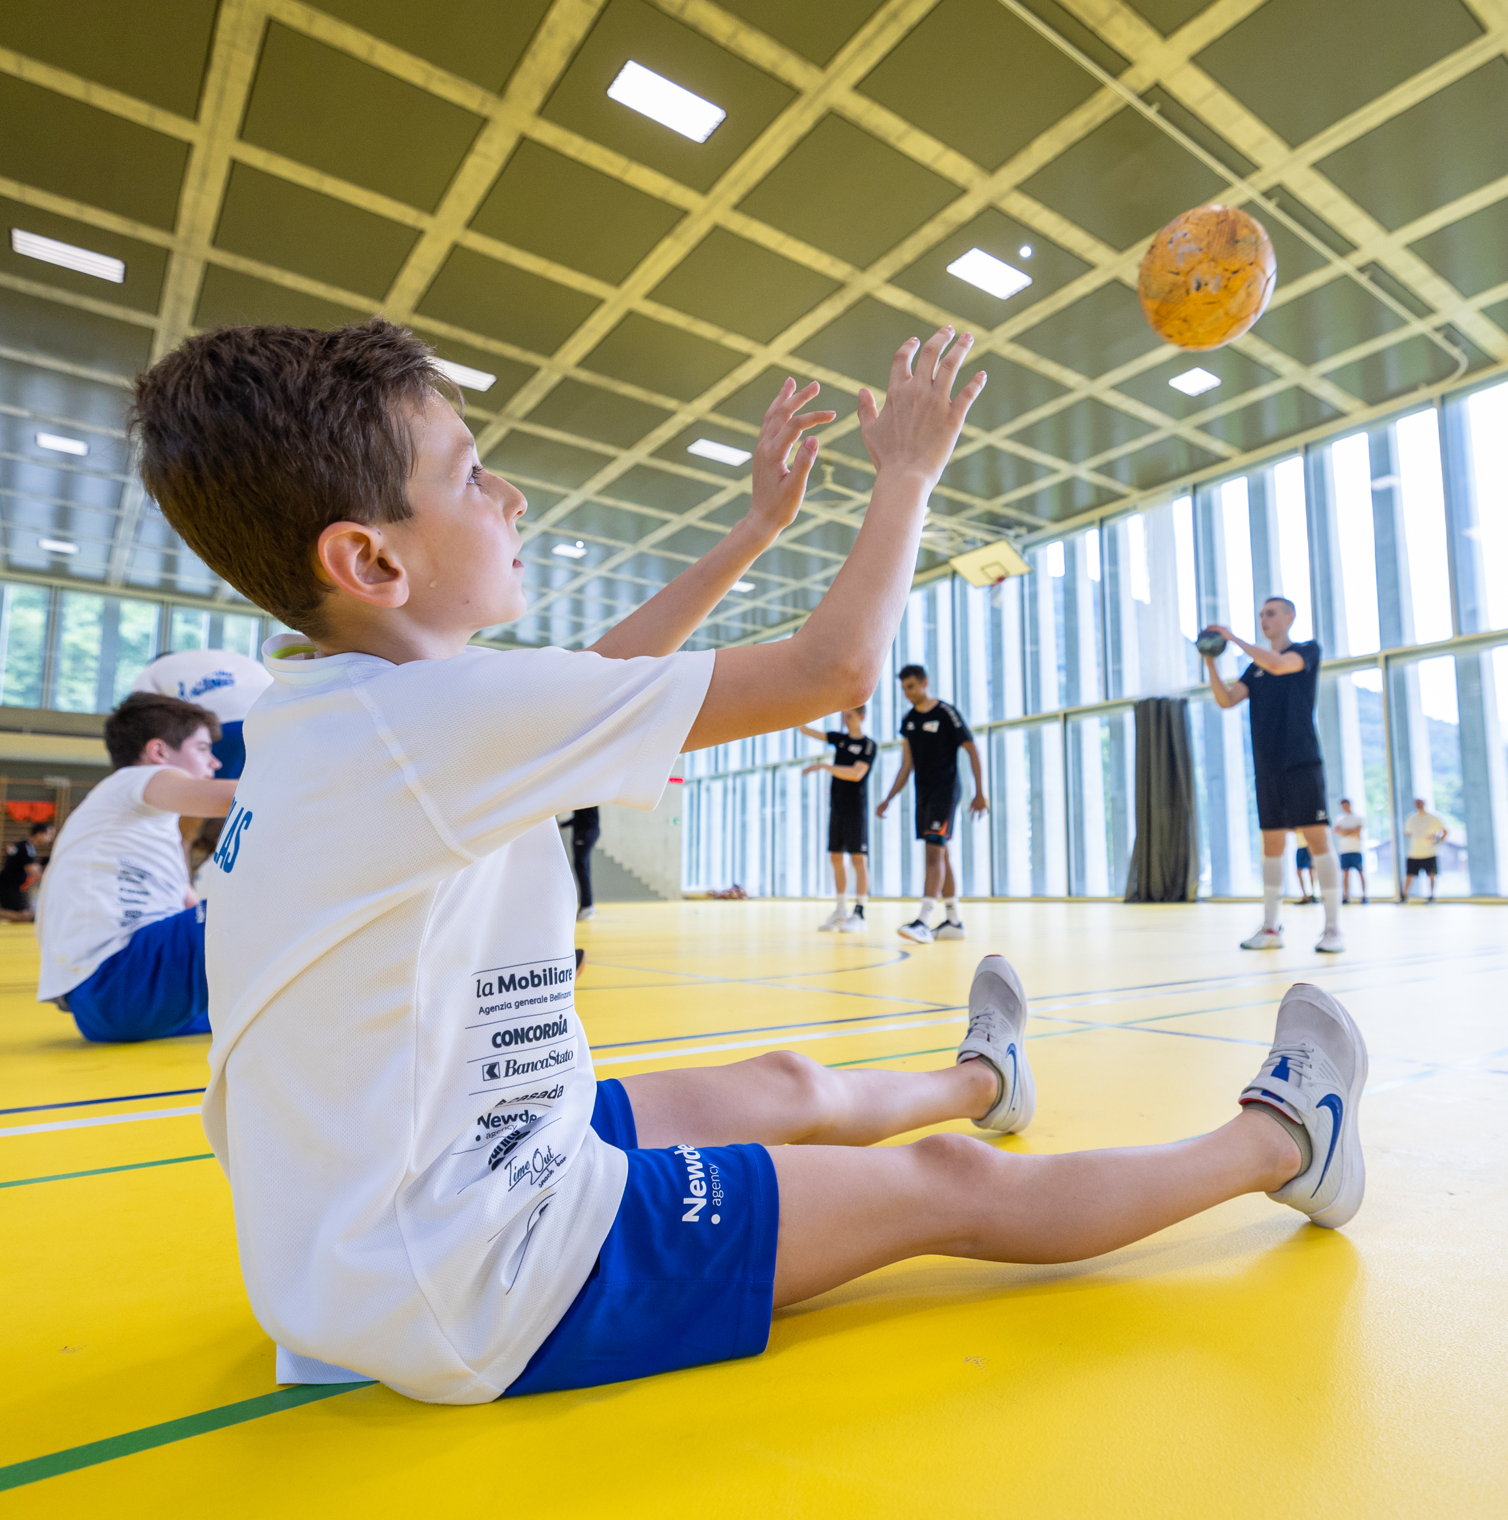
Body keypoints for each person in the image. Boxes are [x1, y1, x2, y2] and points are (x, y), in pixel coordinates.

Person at [133, 317, 1371, 1407]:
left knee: (781, 1078)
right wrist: (909, 475)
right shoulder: (420, 729)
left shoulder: (343, 708)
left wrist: (756, 527)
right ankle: (1283, 1144)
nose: (508, 494)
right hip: (478, 1273)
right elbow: (834, 671)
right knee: (941, 1190)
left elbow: (591, 684)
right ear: (372, 560)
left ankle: (983, 1083)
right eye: (470, 474)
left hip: (385, 1215)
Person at [31, 693, 237, 1042]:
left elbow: (189, 905)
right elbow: (233, 799)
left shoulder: (138, 831)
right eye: (202, 748)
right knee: (265, 899)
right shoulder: (131, 782)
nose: (214, 763)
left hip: (107, 1006)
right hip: (121, 977)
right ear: (158, 753)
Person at [1201, 597, 1344, 954]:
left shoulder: (1306, 651)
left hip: (1302, 762)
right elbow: (1227, 699)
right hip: (1268, 766)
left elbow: (1280, 665)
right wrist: (1211, 664)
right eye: (1260, 614)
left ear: (1289, 617)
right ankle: (1270, 928)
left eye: (1270, 613)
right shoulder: (1254, 669)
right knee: (1272, 846)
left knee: (1317, 841)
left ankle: (1333, 929)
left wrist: (1233, 640)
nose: (1264, 619)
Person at [875, 665, 985, 944]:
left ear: (925, 683)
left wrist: (979, 792)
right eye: (904, 688)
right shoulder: (909, 720)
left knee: (933, 854)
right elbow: (906, 765)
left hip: (946, 792)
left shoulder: (946, 712)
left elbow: (971, 749)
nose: (907, 693)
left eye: (911, 686)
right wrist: (888, 798)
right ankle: (953, 921)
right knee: (942, 854)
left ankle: (923, 921)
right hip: (923, 795)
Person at [130, 646, 273, 779]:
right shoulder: (204, 661)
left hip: (229, 726)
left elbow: (135, 723)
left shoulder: (151, 672)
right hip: (278, 723)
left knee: (214, 796)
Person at [799, 706, 874, 932]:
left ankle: (859, 913)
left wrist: (824, 766)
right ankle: (841, 910)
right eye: (843, 715)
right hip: (837, 808)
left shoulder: (868, 745)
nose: (845, 719)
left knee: (858, 860)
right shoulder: (839, 739)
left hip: (856, 810)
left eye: (849, 715)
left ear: (862, 716)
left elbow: (856, 773)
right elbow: (807, 730)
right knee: (835, 857)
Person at [1402, 799, 1446, 902]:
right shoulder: (1411, 819)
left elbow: (1445, 832)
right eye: (1416, 803)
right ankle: (1404, 896)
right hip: (1414, 852)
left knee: (1431, 875)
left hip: (1429, 852)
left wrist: (1437, 840)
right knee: (1409, 875)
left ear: (1424, 804)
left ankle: (1432, 896)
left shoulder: (1433, 818)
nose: (1418, 804)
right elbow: (1407, 833)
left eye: (1420, 802)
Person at [565, 807, 601, 921]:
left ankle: (587, 906)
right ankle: (588, 904)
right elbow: (579, 817)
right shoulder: (588, 795)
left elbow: (581, 817)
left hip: (585, 831)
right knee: (584, 866)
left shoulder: (585, 795)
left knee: (580, 866)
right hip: (589, 831)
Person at [1333, 798, 1367, 903]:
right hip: (1344, 850)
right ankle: (1346, 896)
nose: (1345, 807)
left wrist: (1345, 832)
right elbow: (1337, 832)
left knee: (1360, 873)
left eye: (1346, 805)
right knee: (1345, 874)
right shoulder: (1339, 819)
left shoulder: (1358, 818)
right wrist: (1351, 831)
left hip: (1356, 850)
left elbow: (1357, 832)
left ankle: (1364, 896)